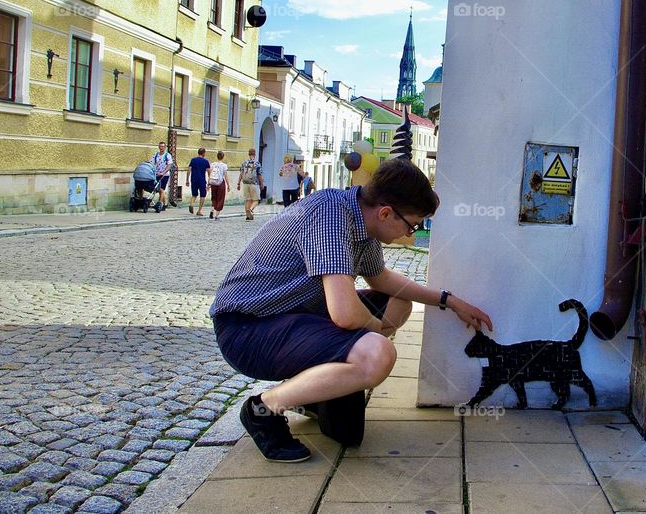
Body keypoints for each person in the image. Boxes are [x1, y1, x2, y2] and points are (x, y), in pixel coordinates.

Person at [210, 158, 492, 461]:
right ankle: (262, 410)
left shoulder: (361, 220)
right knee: (377, 354)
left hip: (294, 318)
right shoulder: (329, 215)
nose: (412, 232)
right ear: (386, 213)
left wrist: (449, 301)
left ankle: (313, 393)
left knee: (395, 301)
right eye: (412, 224)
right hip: (248, 329)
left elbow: (382, 279)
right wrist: (377, 330)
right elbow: (344, 312)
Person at [237, 148, 264, 221]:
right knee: (256, 200)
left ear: (248, 154)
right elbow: (259, 175)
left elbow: (241, 173)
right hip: (254, 184)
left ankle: (247, 216)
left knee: (247, 200)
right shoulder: (257, 163)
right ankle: (251, 210)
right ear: (254, 154)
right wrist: (262, 184)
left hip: (245, 183)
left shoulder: (244, 163)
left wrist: (238, 183)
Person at [186, 147, 211, 216]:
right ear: (204, 153)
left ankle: (191, 204)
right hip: (202, 180)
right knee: (203, 195)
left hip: (193, 179)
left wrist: (187, 179)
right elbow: (209, 173)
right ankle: (199, 211)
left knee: (194, 194)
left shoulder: (193, 160)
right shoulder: (206, 161)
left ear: (198, 152)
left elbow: (189, 169)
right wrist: (209, 182)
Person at [150, 142, 173, 213]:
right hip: (157, 174)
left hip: (165, 175)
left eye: (162, 146)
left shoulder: (167, 155)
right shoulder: (156, 154)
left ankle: (160, 203)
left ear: (165, 147)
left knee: (161, 189)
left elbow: (169, 165)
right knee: (159, 190)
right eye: (160, 146)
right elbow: (151, 162)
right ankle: (165, 204)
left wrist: (163, 172)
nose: (161, 148)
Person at [208, 151, 230, 220]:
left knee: (214, 197)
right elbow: (226, 176)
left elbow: (210, 174)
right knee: (220, 198)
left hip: (213, 182)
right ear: (223, 157)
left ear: (217, 156)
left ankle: (212, 210)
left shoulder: (213, 164)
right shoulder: (224, 165)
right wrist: (228, 184)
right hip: (220, 183)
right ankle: (216, 216)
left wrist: (208, 183)